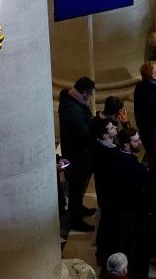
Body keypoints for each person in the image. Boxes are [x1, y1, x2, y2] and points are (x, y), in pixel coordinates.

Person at [58, 76, 96, 231]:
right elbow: (83, 134)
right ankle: (75, 219)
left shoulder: (73, 101)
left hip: (78, 153)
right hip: (77, 155)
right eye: (91, 93)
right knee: (76, 187)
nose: (92, 96)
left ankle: (79, 208)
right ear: (85, 93)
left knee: (78, 187)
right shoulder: (73, 110)